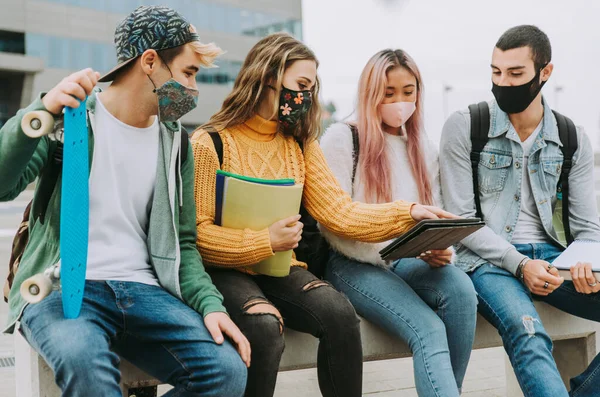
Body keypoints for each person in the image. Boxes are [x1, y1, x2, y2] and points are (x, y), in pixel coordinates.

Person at [0, 6, 250, 397]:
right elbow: (3, 185)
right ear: (150, 61)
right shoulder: (69, 119)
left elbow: (183, 243)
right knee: (86, 366)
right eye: (187, 72)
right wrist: (39, 112)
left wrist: (211, 305)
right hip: (66, 286)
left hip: (146, 292)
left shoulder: (176, 143)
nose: (193, 88)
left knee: (226, 371)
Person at [191, 33, 452, 397]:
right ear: (268, 77)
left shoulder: (300, 143)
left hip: (282, 267)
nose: (306, 97)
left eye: (311, 88)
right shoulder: (209, 142)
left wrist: (407, 212)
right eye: (300, 85)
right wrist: (263, 240)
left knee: (340, 315)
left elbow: (339, 213)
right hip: (225, 271)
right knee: (264, 327)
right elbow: (198, 236)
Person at [440, 25, 600, 397]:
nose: (503, 83)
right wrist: (520, 264)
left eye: (516, 74)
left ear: (545, 72)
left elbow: (587, 227)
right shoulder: (466, 126)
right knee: (528, 331)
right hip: (485, 263)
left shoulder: (571, 136)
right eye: (496, 72)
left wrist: (585, 264)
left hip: (552, 259)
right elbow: (461, 220)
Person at [320, 49, 477, 397]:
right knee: (429, 330)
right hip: (353, 263)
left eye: (408, 91)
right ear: (370, 93)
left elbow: (430, 213)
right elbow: (334, 221)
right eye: (388, 92)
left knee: (462, 291)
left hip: (406, 260)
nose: (399, 101)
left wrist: (437, 247)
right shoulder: (341, 138)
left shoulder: (422, 147)